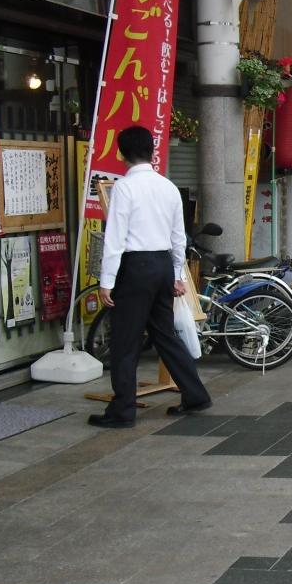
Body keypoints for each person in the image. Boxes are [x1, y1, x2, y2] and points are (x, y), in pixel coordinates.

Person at [90, 126, 211, 428]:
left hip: (135, 266)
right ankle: (195, 394)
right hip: (161, 265)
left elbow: (115, 238)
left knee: (125, 340)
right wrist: (177, 273)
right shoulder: (168, 187)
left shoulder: (124, 188)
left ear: (121, 153)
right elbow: (178, 235)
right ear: (152, 151)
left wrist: (107, 281)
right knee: (164, 334)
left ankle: (122, 411)